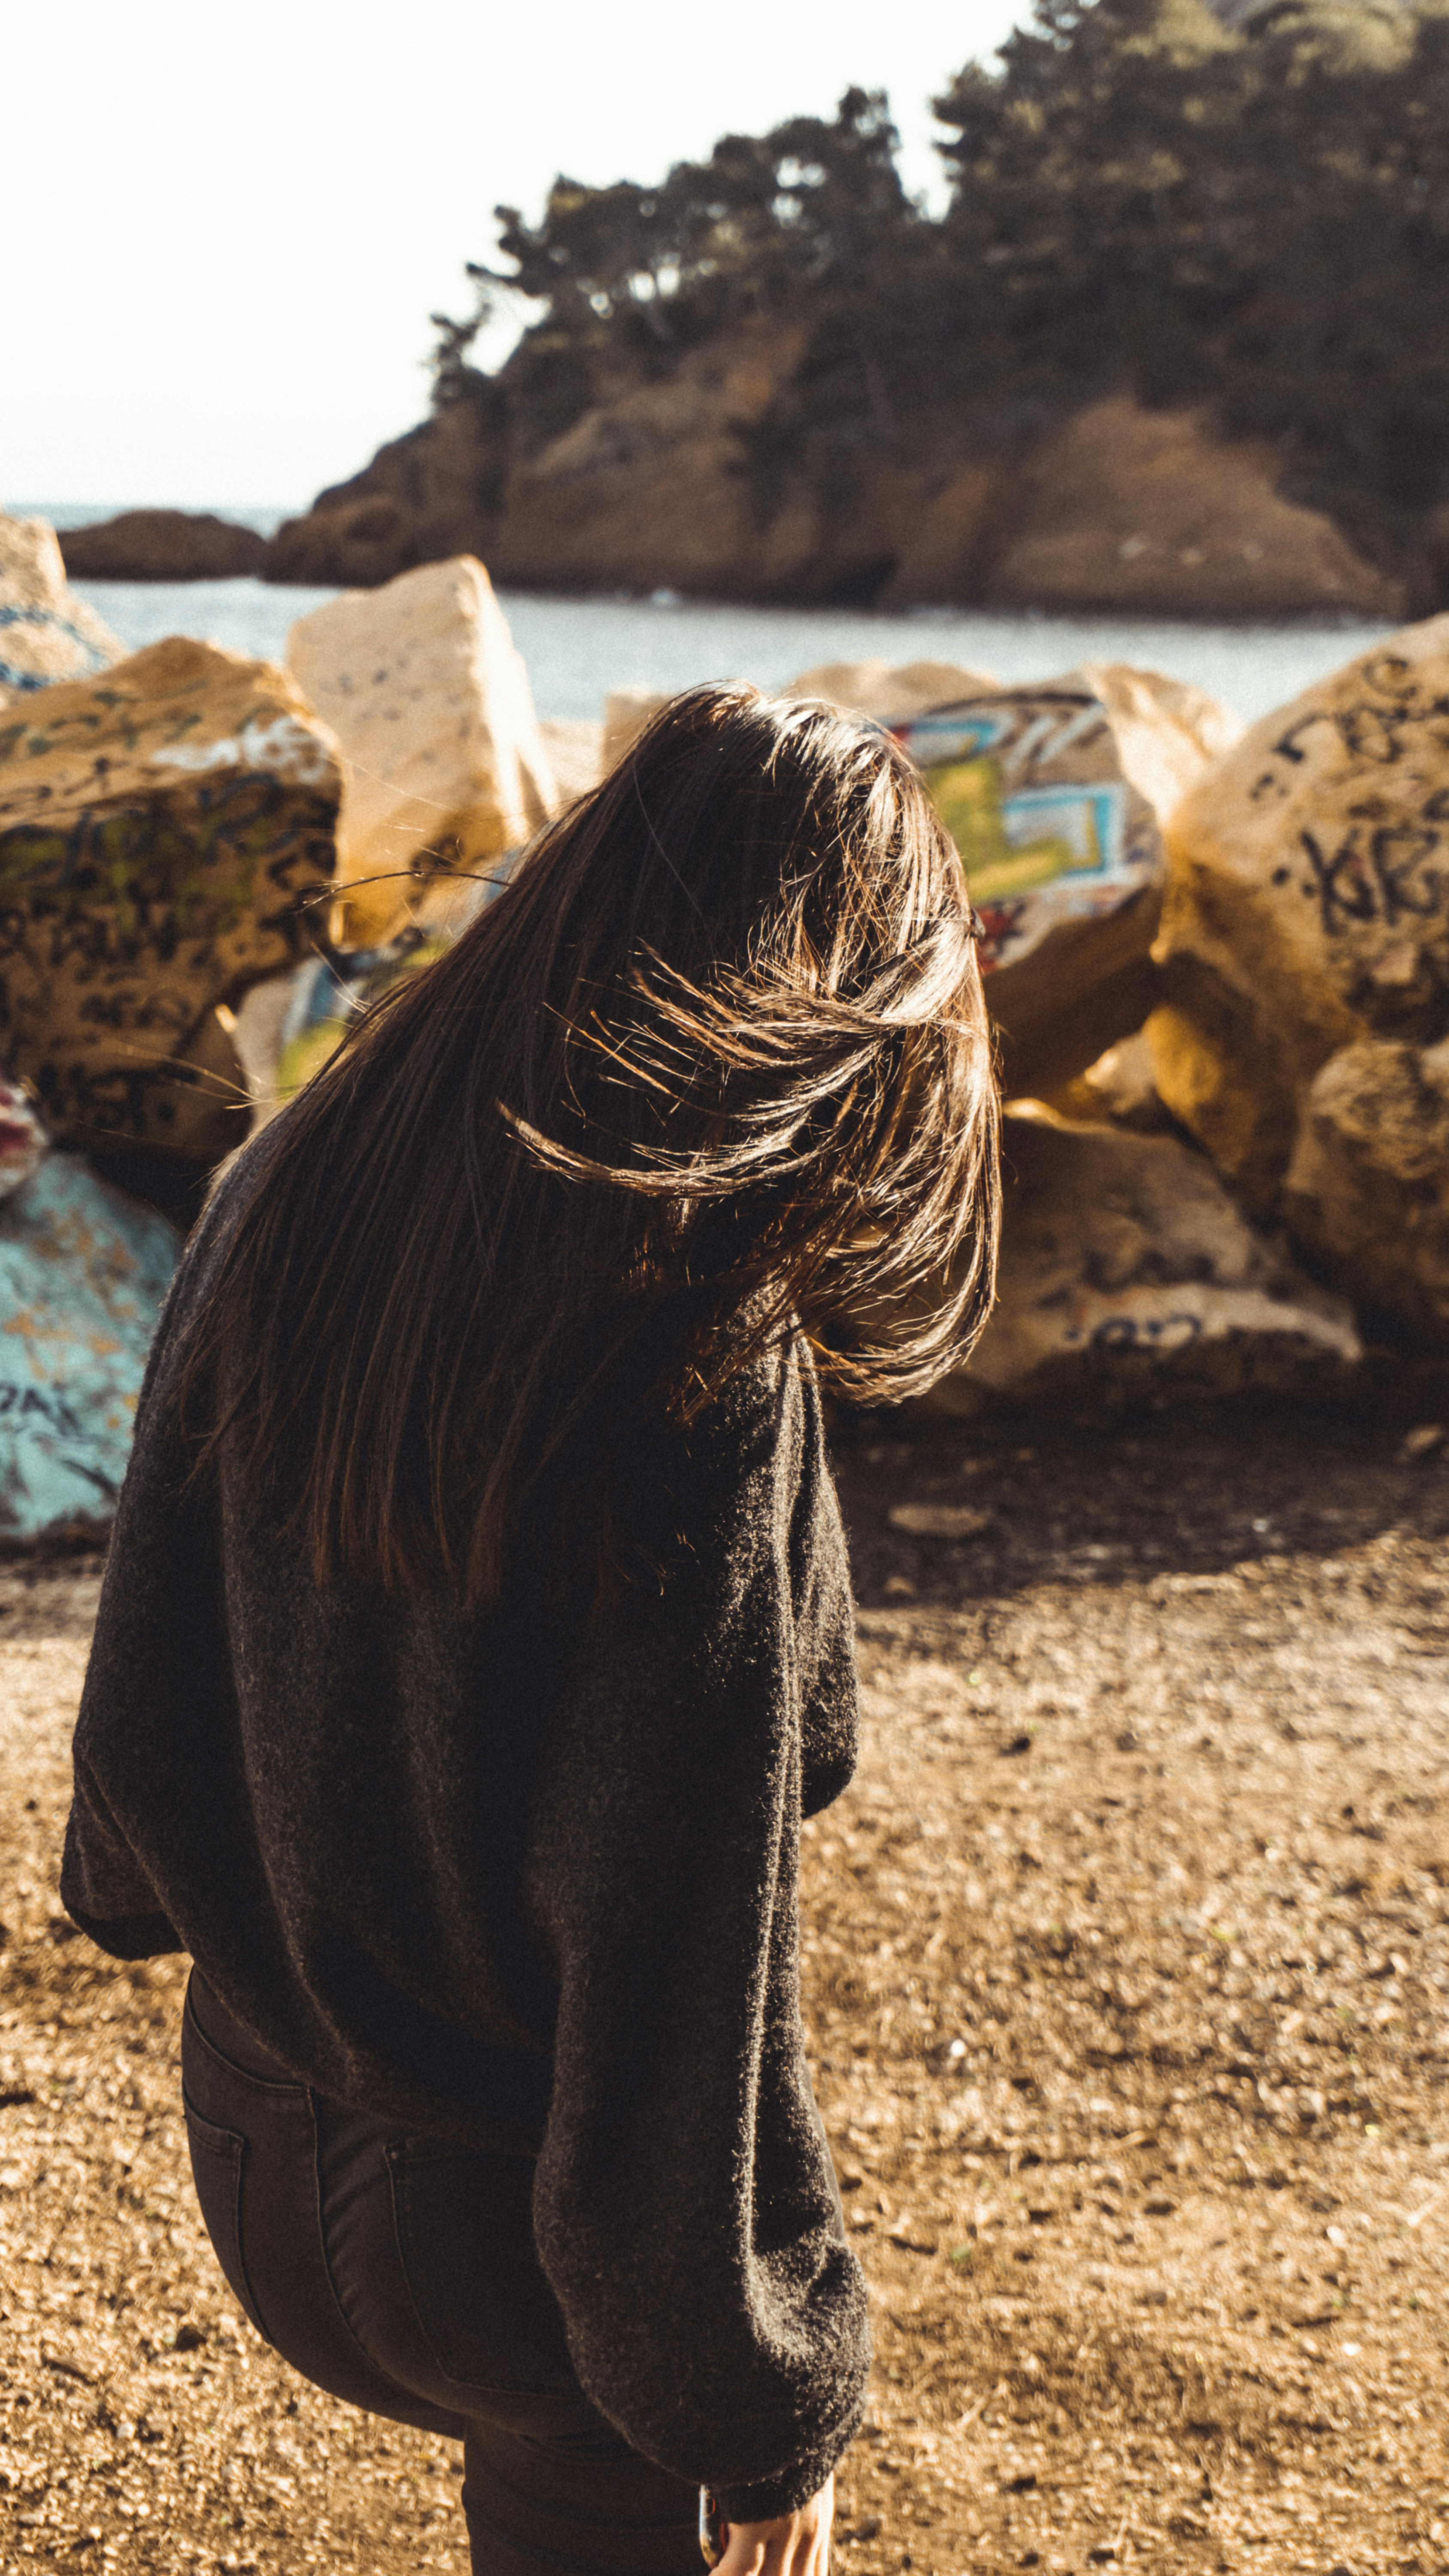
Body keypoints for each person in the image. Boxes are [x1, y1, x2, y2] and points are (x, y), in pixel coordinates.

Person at [61, 684, 1000, 2576]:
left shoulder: (291, 1176)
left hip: (253, 2128)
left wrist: (157, 1889)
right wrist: (752, 2401)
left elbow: (140, 1703)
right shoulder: (688, 1346)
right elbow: (675, 1941)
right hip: (502, 2230)